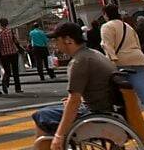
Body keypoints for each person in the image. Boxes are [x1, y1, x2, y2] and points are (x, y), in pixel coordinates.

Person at [31, 22, 117, 150]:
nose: (55, 44)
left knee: (41, 116)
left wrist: (59, 135)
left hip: (95, 113)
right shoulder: (94, 54)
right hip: (106, 107)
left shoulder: (79, 61)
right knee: (53, 111)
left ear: (68, 40)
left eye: (57, 40)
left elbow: (74, 100)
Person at [99, 4, 144, 127]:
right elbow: (137, 43)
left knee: (124, 93)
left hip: (121, 62)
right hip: (138, 59)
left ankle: (132, 119)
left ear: (105, 14)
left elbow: (108, 46)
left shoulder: (107, 27)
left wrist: (111, 64)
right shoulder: (127, 26)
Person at [0, 18, 23, 94]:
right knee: (15, 71)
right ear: (7, 23)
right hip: (13, 52)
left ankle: (5, 82)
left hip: (3, 54)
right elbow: (16, 41)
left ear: (0, 24)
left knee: (7, 71)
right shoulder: (11, 31)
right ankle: (18, 88)